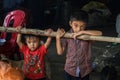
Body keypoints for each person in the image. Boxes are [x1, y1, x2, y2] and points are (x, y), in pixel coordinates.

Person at [56, 10, 102, 80]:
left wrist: (82, 32)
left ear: (86, 25)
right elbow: (60, 52)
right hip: (70, 69)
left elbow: (100, 33)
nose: (78, 29)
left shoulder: (87, 35)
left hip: (84, 70)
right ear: (70, 23)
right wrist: (58, 38)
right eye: (76, 25)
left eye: (82, 26)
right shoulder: (67, 35)